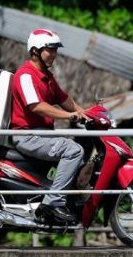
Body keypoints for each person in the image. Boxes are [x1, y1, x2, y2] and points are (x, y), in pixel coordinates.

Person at [10, 28, 87, 223]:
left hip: (43, 136)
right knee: (73, 151)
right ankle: (52, 203)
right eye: (49, 50)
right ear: (35, 51)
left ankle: (64, 199)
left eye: (55, 50)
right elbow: (36, 106)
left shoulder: (47, 77)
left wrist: (85, 114)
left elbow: (64, 99)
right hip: (28, 136)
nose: (53, 54)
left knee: (79, 154)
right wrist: (69, 116)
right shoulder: (25, 75)